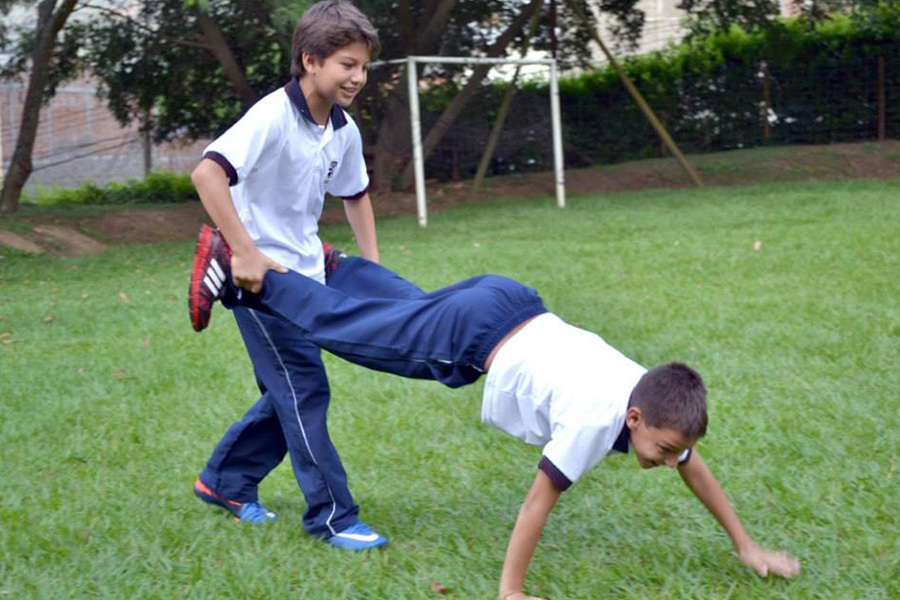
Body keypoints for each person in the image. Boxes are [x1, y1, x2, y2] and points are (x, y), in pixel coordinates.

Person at [189, 225, 802, 600]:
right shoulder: (597, 418)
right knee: (356, 332)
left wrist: (745, 545)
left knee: (394, 316)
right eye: (663, 451)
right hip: (475, 336)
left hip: (511, 298)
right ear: (635, 419)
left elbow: (696, 465)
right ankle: (245, 274)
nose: (668, 462)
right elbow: (537, 503)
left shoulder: (649, 395)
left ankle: (330, 265)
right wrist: (511, 591)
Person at [188, 0, 391, 550]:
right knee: (303, 389)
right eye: (347, 64)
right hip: (259, 282)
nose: (358, 77)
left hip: (306, 278)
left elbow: (355, 194)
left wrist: (370, 266)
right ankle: (334, 517)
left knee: (285, 390)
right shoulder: (272, 115)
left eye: (364, 67)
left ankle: (223, 482)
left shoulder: (341, 128)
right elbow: (208, 173)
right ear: (310, 60)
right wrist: (245, 252)